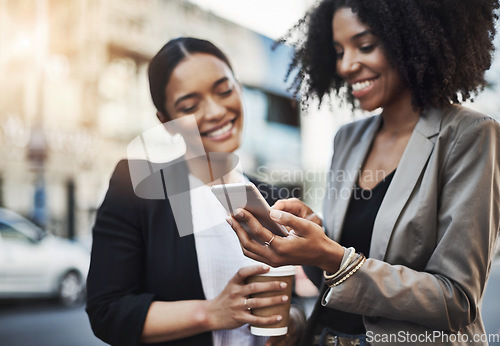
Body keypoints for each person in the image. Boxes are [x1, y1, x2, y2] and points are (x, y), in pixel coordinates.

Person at [227, 0, 500, 345]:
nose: (346, 65)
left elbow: (457, 300)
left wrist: (331, 254)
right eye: (338, 51)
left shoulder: (470, 134)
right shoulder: (349, 139)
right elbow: (337, 277)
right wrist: (314, 238)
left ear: (411, 38)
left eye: (365, 46)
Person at [86, 37, 301, 346]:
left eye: (224, 90)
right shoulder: (137, 187)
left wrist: (291, 323)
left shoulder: (270, 196)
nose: (215, 111)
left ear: (240, 89)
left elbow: (296, 300)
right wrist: (212, 313)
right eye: (189, 106)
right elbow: (107, 311)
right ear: (167, 123)